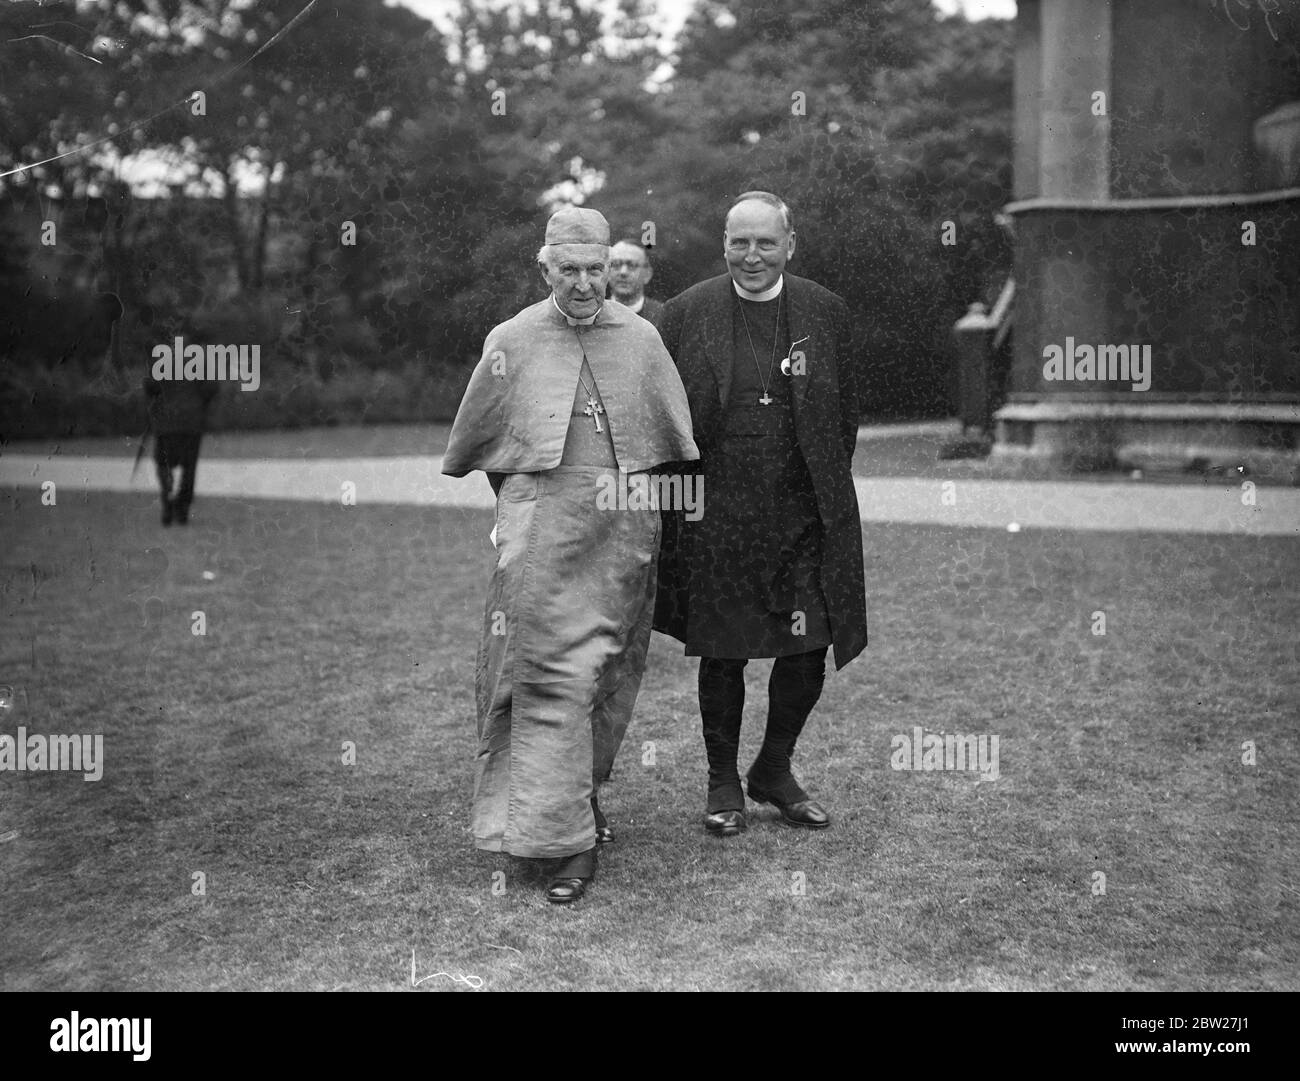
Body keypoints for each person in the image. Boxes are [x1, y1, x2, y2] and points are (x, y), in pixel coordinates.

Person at [443, 207, 698, 903]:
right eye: (569, 271)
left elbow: (665, 448)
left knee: (605, 674)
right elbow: (493, 448)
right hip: (538, 537)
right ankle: (570, 844)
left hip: (620, 539)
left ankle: (577, 804)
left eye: (596, 270)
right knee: (540, 672)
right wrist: (519, 510)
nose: (585, 285)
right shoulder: (512, 339)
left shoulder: (642, 340)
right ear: (545, 267)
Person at [653, 191, 868, 837]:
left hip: (802, 514)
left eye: (764, 242)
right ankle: (723, 780)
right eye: (739, 242)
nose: (751, 255)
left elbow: (845, 414)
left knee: (809, 644)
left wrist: (819, 485)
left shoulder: (825, 311)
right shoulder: (687, 313)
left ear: (790, 244)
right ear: (724, 243)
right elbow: (660, 417)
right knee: (724, 650)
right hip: (716, 514)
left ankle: (774, 768)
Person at [143, 339, 217, 526]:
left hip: (166, 423)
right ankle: (182, 507)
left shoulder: (162, 358)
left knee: (163, 463)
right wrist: (199, 405)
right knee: (189, 467)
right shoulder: (199, 359)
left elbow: (150, 386)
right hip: (191, 422)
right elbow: (211, 387)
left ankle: (167, 498)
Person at [608, 239, 663, 322]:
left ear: (647, 274)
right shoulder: (595, 313)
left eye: (632, 265)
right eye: (616, 264)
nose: (623, 272)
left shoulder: (662, 316)